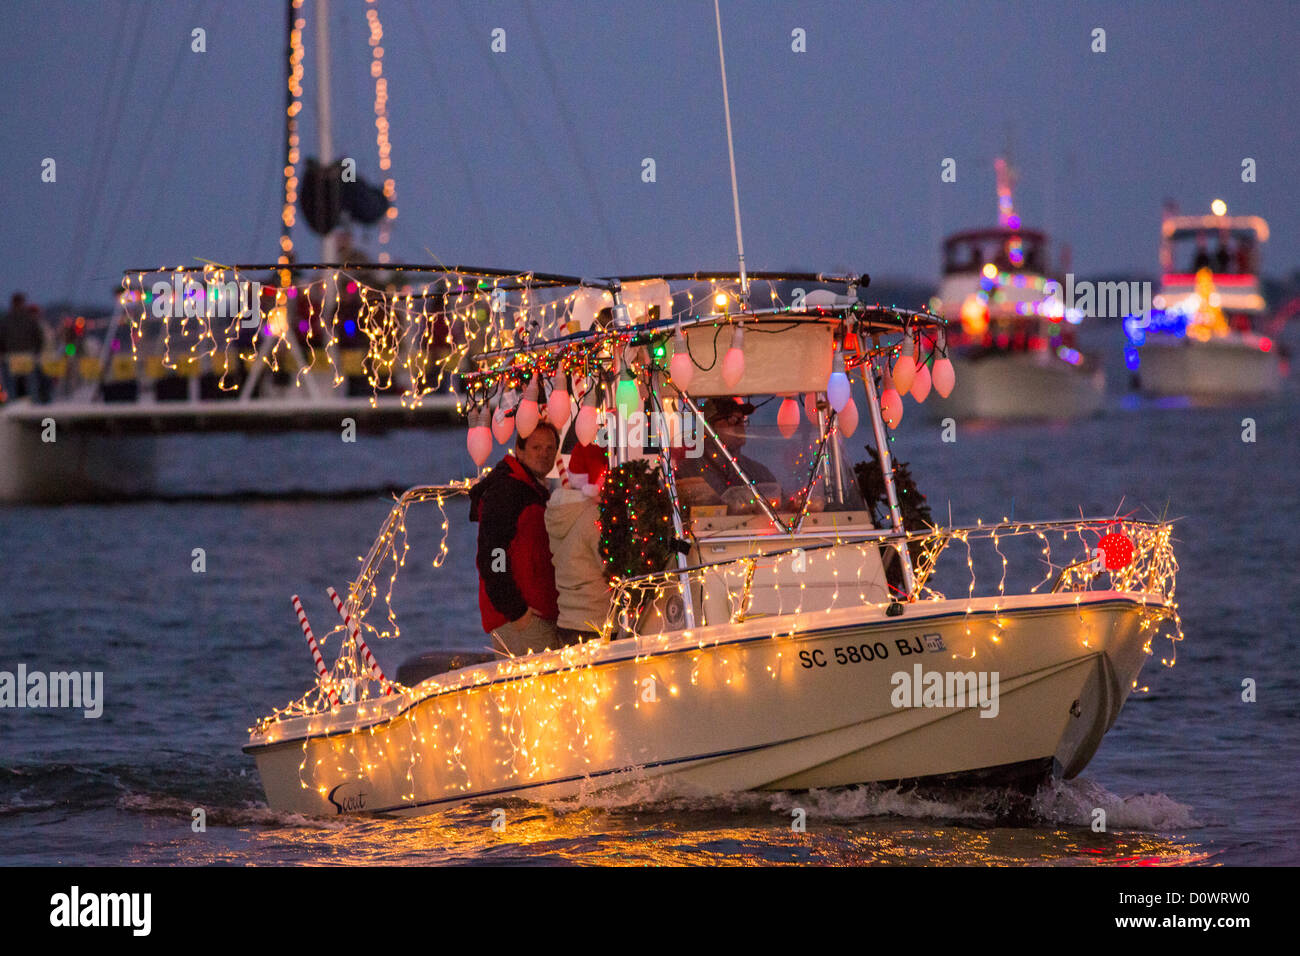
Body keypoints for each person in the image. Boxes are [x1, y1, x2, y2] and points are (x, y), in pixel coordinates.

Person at [468, 420, 563, 656]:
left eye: (550, 448)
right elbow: (494, 555)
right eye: (536, 448)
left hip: (533, 617)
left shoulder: (531, 489)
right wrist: (517, 611)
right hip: (521, 623)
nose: (544, 454)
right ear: (519, 451)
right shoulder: (507, 492)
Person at [545, 442, 610, 644]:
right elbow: (610, 566)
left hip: (567, 620)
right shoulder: (593, 516)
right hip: (595, 621)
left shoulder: (558, 509)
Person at [675, 396, 778, 498]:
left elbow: (782, 503)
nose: (740, 425)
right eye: (732, 420)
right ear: (708, 427)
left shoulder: (757, 472)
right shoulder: (688, 472)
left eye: (742, 419)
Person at [0, 293, 50, 404]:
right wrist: (37, 352)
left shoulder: (7, 320)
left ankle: (15, 405)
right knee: (29, 384)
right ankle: (33, 404)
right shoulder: (29, 319)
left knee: (14, 385)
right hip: (23, 356)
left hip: (14, 357)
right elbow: (38, 337)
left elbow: (1, 338)